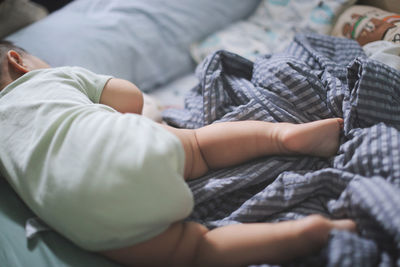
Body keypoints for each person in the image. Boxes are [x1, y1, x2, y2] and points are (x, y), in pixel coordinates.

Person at [0, 40, 356, 267]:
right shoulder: (50, 79)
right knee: (199, 145)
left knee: (196, 250)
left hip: (92, 217)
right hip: (137, 152)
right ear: (19, 61)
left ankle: (303, 234)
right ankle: (283, 136)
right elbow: (130, 99)